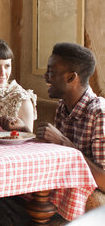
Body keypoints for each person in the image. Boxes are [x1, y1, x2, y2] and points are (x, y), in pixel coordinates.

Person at [37, 43, 105, 208]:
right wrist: (24, 132)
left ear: (71, 78)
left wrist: (65, 144)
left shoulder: (99, 113)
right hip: (57, 187)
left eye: (51, 71)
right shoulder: (63, 105)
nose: (45, 76)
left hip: (77, 196)